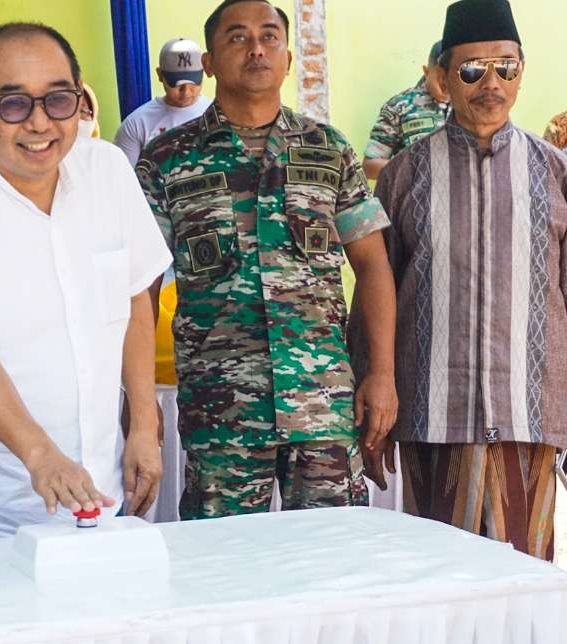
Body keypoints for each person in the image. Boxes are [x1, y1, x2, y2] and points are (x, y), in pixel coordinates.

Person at [0, 22, 172, 543]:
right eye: (14, 103)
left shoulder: (108, 171)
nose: (40, 123)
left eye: (57, 99)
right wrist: (41, 456)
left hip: (102, 495)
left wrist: (142, 424)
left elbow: (135, 296)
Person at [137, 0, 398, 520]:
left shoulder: (329, 151)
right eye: (237, 37)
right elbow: (138, 288)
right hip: (221, 407)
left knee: (335, 562)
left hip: (322, 402)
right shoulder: (166, 161)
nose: (256, 48)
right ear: (208, 61)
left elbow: (372, 266)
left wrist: (382, 374)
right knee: (227, 571)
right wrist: (142, 404)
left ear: (288, 57)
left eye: (269, 37)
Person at [356, 0, 565, 561]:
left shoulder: (554, 172)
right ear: (443, 78)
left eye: (506, 68)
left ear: (522, 71)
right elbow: (376, 292)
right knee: (437, 583)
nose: (490, 83)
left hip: (529, 416)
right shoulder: (403, 174)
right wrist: (371, 402)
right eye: (472, 70)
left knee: (522, 586)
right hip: (431, 418)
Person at [114, 37, 212, 165]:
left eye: (193, 83)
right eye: (176, 84)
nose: (186, 91)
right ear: (160, 75)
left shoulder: (219, 116)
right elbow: (124, 180)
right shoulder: (137, 124)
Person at [362, 41, 450, 180]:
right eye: (441, 79)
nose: (448, 87)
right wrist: (413, 168)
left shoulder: (471, 106)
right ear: (427, 72)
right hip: (412, 199)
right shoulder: (399, 106)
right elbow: (369, 167)